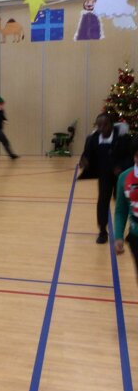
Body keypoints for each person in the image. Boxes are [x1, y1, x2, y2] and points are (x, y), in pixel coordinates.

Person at [79, 113, 132, 244]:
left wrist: (121, 167)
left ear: (111, 125)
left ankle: (132, 231)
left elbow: (130, 157)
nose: (102, 128)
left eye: (105, 125)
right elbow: (86, 155)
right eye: (99, 125)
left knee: (127, 202)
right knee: (102, 201)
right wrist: (84, 161)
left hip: (121, 176)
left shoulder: (123, 138)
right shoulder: (92, 139)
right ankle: (102, 231)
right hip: (104, 175)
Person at [114, 136, 138, 274]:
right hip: (135, 238)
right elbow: (121, 211)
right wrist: (118, 236)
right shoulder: (124, 178)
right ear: (134, 156)